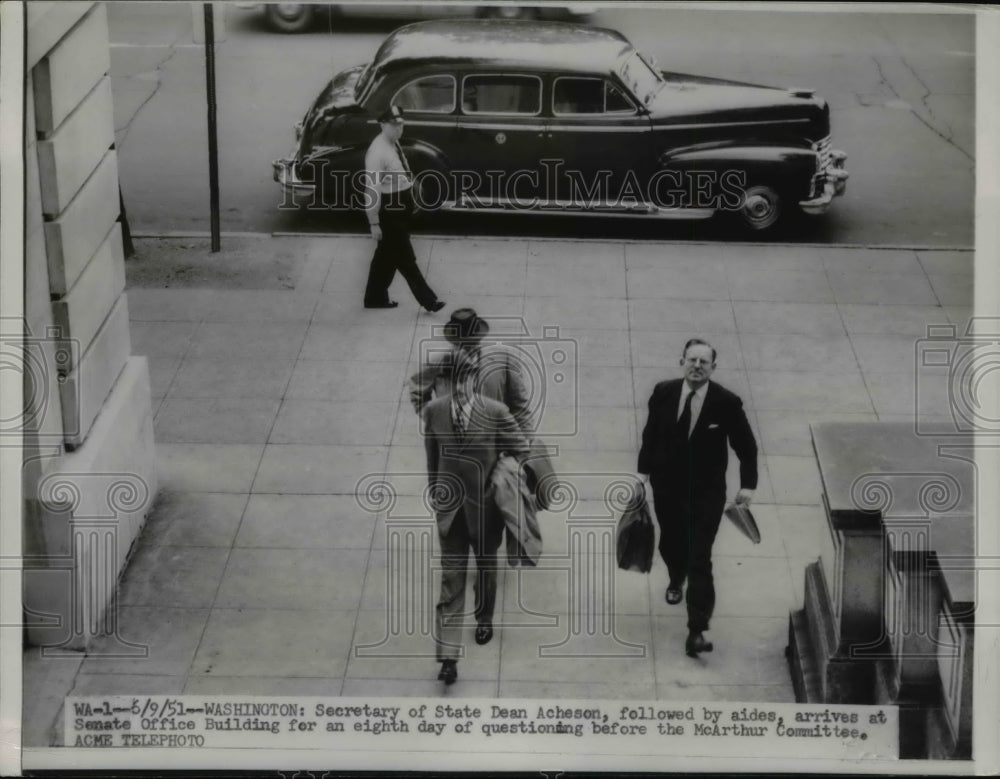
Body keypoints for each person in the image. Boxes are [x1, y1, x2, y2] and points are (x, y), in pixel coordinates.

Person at [637, 338, 758, 658]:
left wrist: (748, 485)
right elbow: (650, 435)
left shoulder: (727, 402)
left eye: (704, 362)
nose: (697, 366)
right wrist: (641, 475)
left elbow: (746, 447)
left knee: (700, 557)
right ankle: (676, 577)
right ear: (682, 362)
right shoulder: (663, 392)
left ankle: (697, 630)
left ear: (713, 368)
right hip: (666, 487)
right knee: (672, 544)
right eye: (692, 360)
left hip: (706, 493)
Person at [423, 365, 529, 685]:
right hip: (451, 511)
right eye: (449, 381)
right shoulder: (434, 410)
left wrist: (503, 477)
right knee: (450, 581)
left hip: (486, 510)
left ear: (473, 381)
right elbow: (432, 455)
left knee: (485, 568)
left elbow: (521, 448)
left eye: (462, 381)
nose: (456, 388)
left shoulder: (495, 411)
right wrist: (436, 492)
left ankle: (484, 618)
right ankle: (448, 658)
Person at [362, 105, 445, 312]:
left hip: (400, 206)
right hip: (391, 210)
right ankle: (429, 301)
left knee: (386, 256)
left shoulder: (392, 143)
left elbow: (401, 168)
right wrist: (374, 223)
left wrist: (412, 185)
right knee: (406, 258)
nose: (398, 129)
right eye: (393, 125)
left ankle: (375, 298)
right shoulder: (377, 152)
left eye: (401, 125)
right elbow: (371, 189)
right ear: (382, 125)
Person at [408, 308, 533, 432]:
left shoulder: (504, 360)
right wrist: (437, 421)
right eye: (461, 343)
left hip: (495, 440)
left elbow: (519, 403)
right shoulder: (436, 363)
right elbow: (417, 393)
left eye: (472, 342)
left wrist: (526, 439)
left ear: (479, 338)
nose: (467, 348)